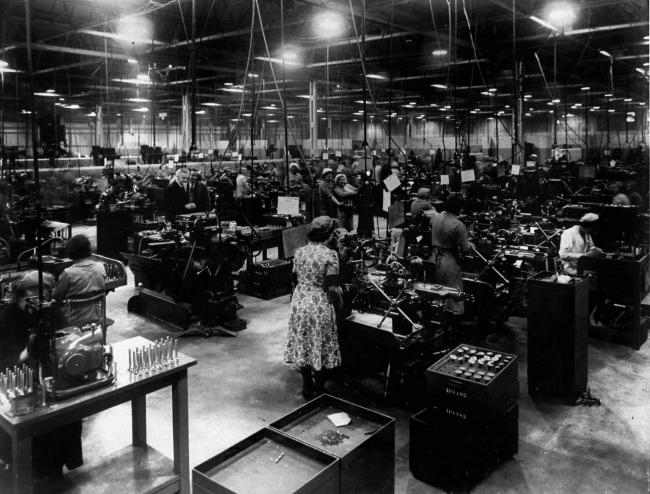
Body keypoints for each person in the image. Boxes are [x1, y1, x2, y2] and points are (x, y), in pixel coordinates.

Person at [0, 271, 82, 482]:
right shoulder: (7, 318)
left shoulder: (50, 311)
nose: (39, 302)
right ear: (19, 296)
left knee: (66, 419)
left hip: (52, 380)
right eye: (33, 296)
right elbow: (4, 360)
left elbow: (69, 335)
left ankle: (55, 469)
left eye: (44, 296)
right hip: (17, 384)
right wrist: (26, 352)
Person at [284, 216, 342, 399]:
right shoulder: (330, 255)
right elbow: (333, 288)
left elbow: (294, 276)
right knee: (320, 344)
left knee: (304, 342)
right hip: (319, 302)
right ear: (330, 234)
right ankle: (319, 389)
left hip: (300, 301)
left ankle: (307, 386)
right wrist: (340, 303)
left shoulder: (299, 251)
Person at [429, 194, 474, 315]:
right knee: (454, 294)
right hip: (449, 261)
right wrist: (471, 245)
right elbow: (465, 249)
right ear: (459, 209)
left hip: (434, 258)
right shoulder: (459, 225)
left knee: (438, 292)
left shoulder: (435, 217)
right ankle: (453, 325)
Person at [54, 234, 107, 327]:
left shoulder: (68, 273)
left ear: (71, 251)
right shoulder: (100, 267)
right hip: (96, 317)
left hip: (72, 321)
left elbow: (57, 298)